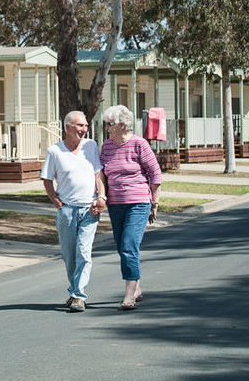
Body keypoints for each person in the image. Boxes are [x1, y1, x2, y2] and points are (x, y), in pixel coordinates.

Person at [95, 104, 162, 310]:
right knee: (121, 247)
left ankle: (129, 295)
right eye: (106, 124)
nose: (107, 128)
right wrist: (102, 195)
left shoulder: (139, 144)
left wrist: (154, 203)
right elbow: (102, 174)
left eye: (110, 124)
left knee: (128, 246)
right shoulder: (106, 146)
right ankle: (137, 286)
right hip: (116, 204)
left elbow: (155, 175)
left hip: (138, 203)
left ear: (122, 125)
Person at [41, 111, 107, 313]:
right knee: (69, 255)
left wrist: (102, 196)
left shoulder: (91, 146)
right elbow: (47, 178)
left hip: (89, 208)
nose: (84, 129)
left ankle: (78, 295)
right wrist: (56, 201)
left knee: (84, 252)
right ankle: (74, 289)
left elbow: (98, 173)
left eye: (85, 126)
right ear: (68, 127)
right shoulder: (55, 151)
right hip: (67, 210)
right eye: (80, 125)